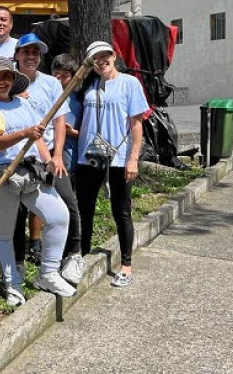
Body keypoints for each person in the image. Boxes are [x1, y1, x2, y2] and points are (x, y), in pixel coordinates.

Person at [0, 57, 76, 305]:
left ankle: (48, 273)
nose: (1, 81)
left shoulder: (23, 103)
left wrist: (48, 159)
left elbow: (38, 138)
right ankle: (13, 284)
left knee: (59, 216)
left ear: (12, 80)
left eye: (6, 76)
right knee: (5, 234)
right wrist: (22, 134)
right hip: (0, 175)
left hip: (30, 172)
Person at [14, 32, 85, 286]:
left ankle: (74, 256)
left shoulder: (51, 84)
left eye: (36, 52)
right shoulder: (10, 83)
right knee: (19, 212)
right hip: (22, 158)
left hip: (51, 157)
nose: (31, 56)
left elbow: (60, 121)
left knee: (69, 203)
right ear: (17, 55)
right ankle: (18, 262)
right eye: (26, 52)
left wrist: (57, 156)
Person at [76, 41, 148, 288]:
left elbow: (136, 124)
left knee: (121, 211)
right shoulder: (89, 85)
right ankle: (82, 257)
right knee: (84, 209)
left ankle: (126, 264)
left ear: (114, 56)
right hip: (88, 156)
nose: (101, 60)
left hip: (118, 157)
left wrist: (133, 159)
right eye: (95, 58)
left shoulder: (129, 83)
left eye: (105, 55)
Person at [51, 54, 83, 181]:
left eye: (65, 76)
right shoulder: (45, 95)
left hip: (71, 158)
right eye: (56, 74)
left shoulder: (78, 101)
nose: (59, 79)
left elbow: (90, 134)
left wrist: (71, 132)